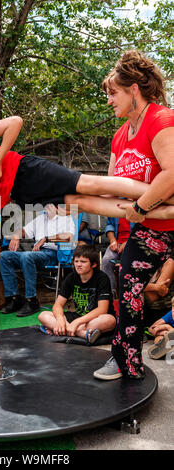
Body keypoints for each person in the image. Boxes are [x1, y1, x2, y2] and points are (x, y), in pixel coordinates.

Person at [0, 112, 174, 255]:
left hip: (29, 172)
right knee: (94, 206)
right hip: (22, 194)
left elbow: (14, 123)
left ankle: (164, 193)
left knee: (95, 185)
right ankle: (167, 210)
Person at [91, 50, 174, 381]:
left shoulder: (161, 119)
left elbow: (170, 173)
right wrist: (64, 197)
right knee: (127, 286)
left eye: (113, 93)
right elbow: (111, 189)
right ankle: (125, 360)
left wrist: (140, 207)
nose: (110, 101)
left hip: (163, 220)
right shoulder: (119, 136)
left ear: (134, 89)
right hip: (149, 230)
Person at [0, 204, 76, 317]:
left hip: (53, 254)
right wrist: (16, 236)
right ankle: (14, 298)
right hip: (36, 253)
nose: (46, 205)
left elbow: (69, 236)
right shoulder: (41, 218)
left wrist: (46, 239)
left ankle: (32, 300)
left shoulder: (66, 218)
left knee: (27, 256)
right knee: (4, 256)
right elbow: (25, 231)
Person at [38, 245, 116, 342]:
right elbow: (58, 304)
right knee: (43, 315)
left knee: (110, 320)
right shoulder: (71, 277)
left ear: (94, 264)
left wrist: (77, 322)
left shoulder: (102, 278)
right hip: (78, 317)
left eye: (83, 262)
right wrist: (60, 320)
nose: (78, 264)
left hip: (94, 319)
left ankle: (61, 330)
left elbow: (102, 309)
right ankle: (82, 333)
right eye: (76, 261)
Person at [101, 216, 133, 297]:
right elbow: (110, 225)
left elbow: (142, 229)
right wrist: (113, 241)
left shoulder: (138, 206)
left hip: (134, 242)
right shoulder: (115, 207)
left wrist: (128, 243)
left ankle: (127, 294)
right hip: (117, 243)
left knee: (127, 262)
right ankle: (110, 293)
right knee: (106, 260)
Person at [147, 295, 174, 360]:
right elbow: (151, 329)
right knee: (159, 338)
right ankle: (164, 350)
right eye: (173, 306)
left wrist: (168, 328)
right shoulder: (170, 314)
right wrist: (165, 332)